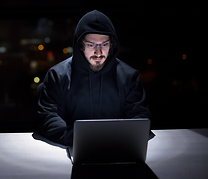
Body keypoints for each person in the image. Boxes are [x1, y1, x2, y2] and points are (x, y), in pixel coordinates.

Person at [37, 10, 153, 146]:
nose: (98, 52)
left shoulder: (129, 76)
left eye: (104, 44)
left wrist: (116, 140)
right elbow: (48, 116)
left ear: (112, 44)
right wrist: (80, 139)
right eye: (91, 45)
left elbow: (140, 116)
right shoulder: (57, 76)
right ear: (80, 45)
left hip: (118, 149)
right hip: (69, 150)